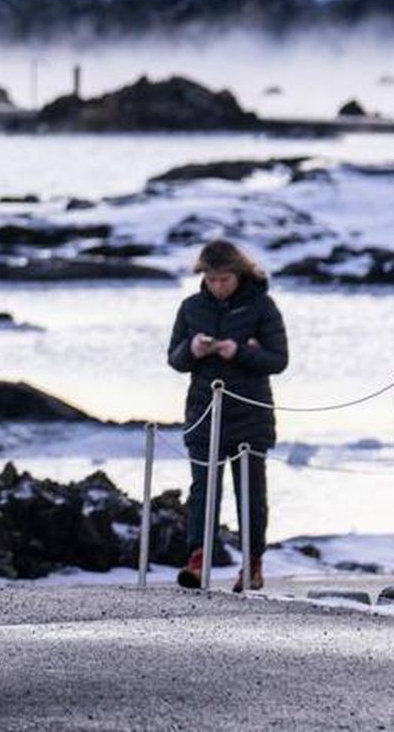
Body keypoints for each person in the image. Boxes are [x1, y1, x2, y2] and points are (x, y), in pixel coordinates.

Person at [168, 239, 288, 592]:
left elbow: (279, 360)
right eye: (211, 279)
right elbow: (175, 359)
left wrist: (239, 352)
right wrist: (192, 348)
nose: (217, 285)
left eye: (224, 279)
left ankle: (251, 565)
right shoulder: (191, 307)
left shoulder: (263, 307)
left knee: (251, 492)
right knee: (202, 489)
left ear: (239, 274)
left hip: (251, 412)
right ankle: (197, 560)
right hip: (204, 410)